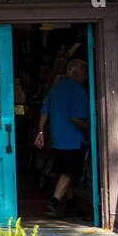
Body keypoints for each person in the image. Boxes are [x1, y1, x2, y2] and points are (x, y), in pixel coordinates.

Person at [33, 58, 90, 219]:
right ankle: (54, 203)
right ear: (77, 73)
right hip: (74, 139)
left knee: (66, 172)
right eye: (85, 73)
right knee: (68, 173)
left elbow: (44, 111)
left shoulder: (55, 88)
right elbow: (77, 119)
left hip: (58, 139)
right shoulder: (79, 90)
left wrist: (41, 132)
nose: (86, 77)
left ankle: (71, 204)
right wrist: (90, 129)